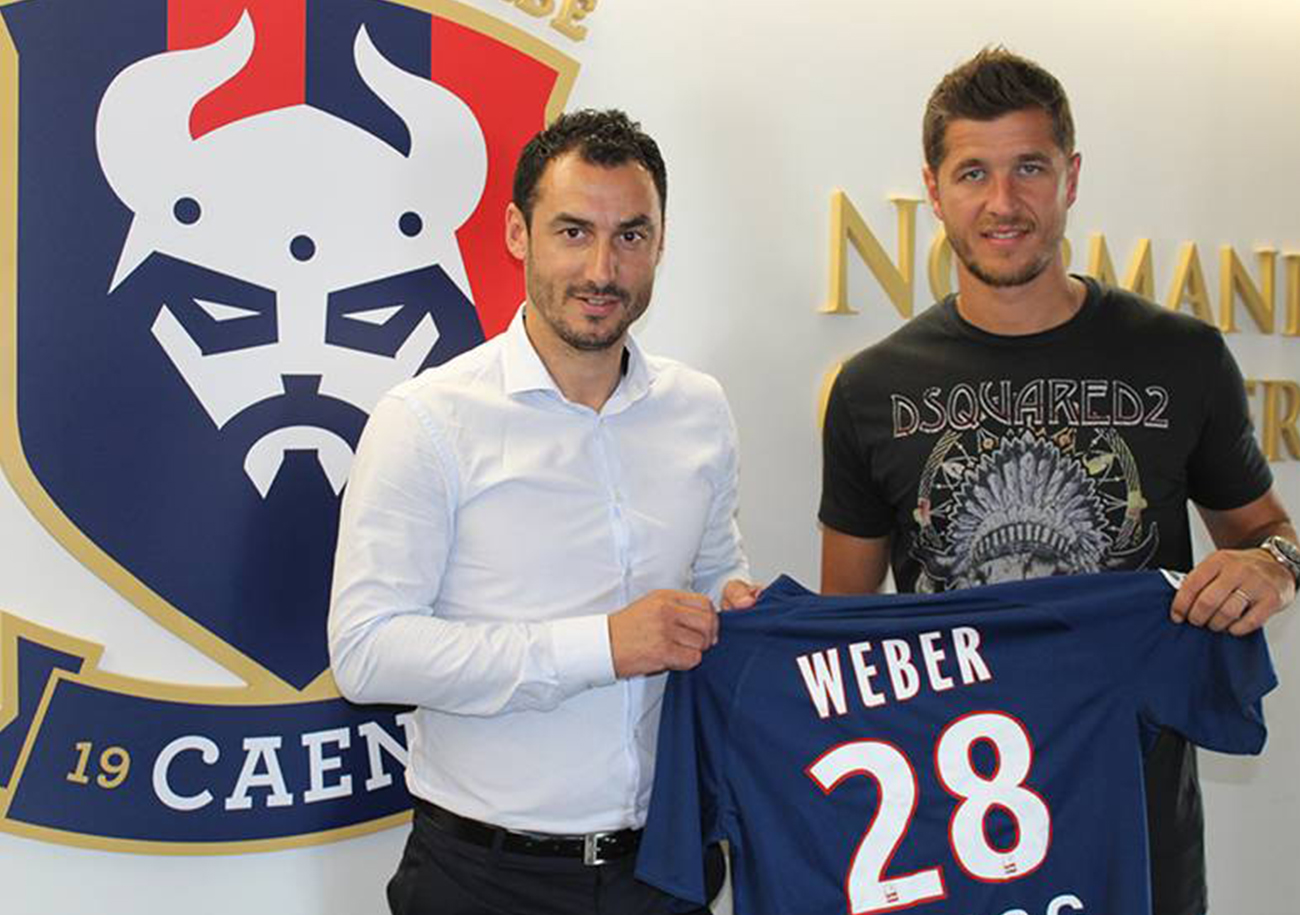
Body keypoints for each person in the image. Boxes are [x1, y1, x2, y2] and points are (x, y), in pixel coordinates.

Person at [819, 48, 1298, 915]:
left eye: (1029, 168)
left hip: (1137, 836)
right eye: (973, 172)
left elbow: (1273, 531)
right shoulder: (870, 389)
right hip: (944, 843)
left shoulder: (1181, 356)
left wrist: (1274, 566)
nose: (1003, 203)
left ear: (1071, 177)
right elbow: (846, 638)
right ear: (934, 189)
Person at [329, 108, 757, 915]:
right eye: (572, 231)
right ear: (517, 233)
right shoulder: (427, 419)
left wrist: (733, 606)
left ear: (661, 242)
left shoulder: (699, 409)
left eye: (631, 235)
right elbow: (367, 652)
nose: (602, 267)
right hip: (483, 878)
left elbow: (714, 573)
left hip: (668, 866)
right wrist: (601, 645)